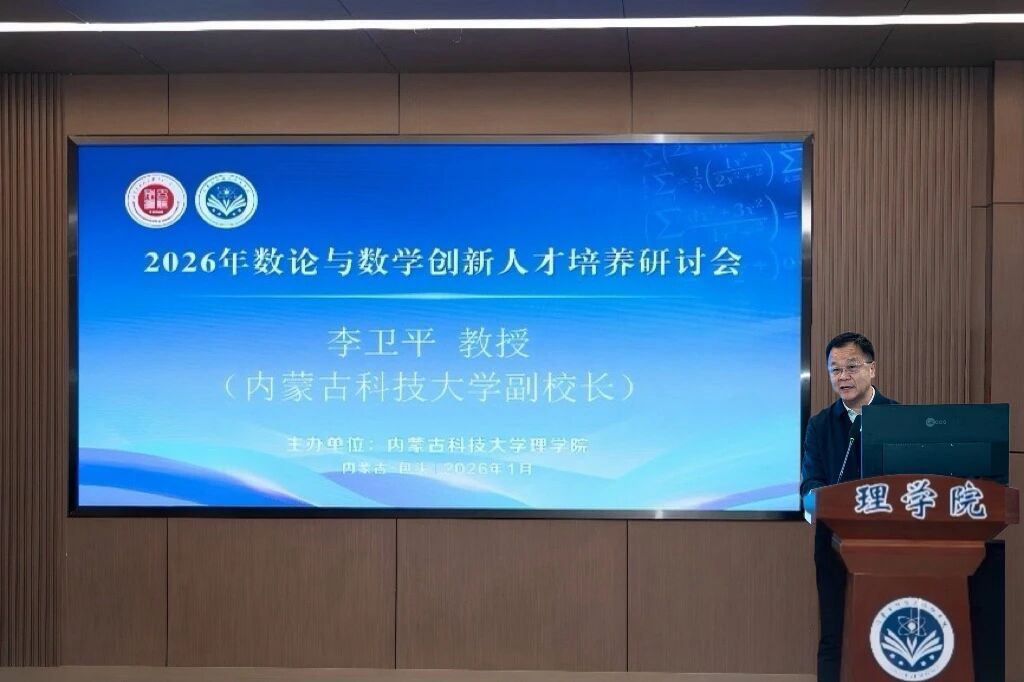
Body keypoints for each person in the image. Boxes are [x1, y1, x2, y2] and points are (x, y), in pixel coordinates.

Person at [800, 331, 897, 682]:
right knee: (833, 633)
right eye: (835, 369)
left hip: (888, 543)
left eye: (851, 367)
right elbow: (810, 482)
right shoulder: (820, 425)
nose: (843, 376)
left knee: (886, 628)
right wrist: (816, 497)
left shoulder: (899, 418)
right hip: (834, 542)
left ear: (872, 369)